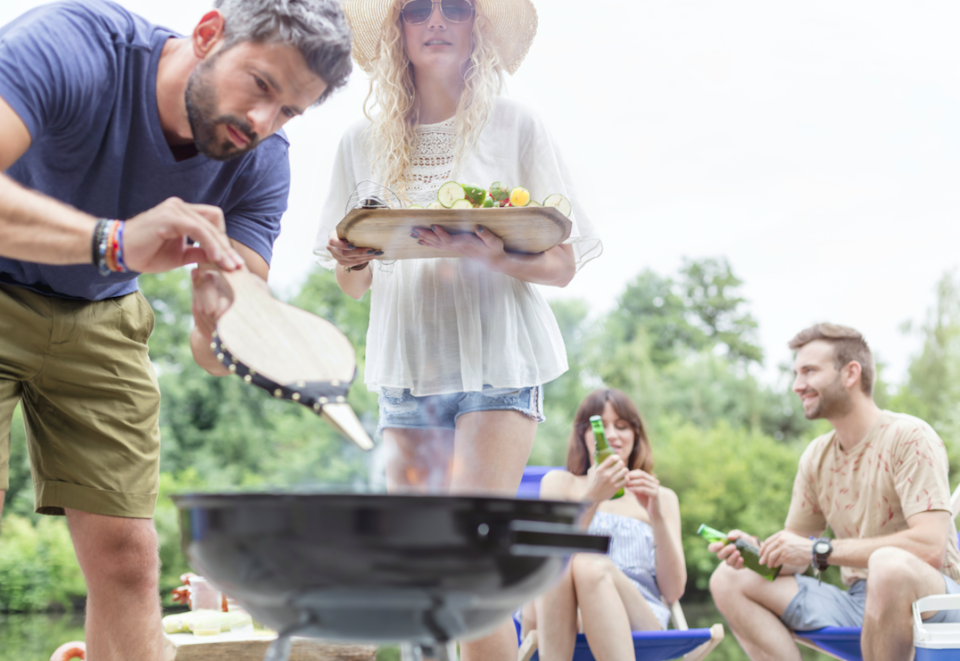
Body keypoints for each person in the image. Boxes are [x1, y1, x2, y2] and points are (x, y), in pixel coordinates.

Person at [0, 0, 352, 659]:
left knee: (128, 557)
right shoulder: (78, 46)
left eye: (289, 112)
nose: (262, 122)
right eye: (261, 85)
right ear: (209, 32)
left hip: (100, 314)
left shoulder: (262, 161)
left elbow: (218, 352)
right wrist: (116, 241)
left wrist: (214, 320)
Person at [313, 0, 600, 657]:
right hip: (407, 369)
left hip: (496, 363)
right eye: (418, 9)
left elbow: (562, 261)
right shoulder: (360, 142)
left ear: (478, 29)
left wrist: (492, 251)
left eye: (455, 8)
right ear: (398, 32)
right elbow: (353, 280)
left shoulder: (516, 125)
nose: (436, 20)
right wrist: (352, 258)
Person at [708, 323, 960, 661]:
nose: (798, 386)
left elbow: (929, 548)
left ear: (850, 373)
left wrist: (820, 550)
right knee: (728, 579)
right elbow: (798, 554)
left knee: (889, 566)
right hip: (858, 601)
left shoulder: (910, 437)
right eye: (796, 373)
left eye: (809, 371)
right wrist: (759, 553)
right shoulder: (816, 456)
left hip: (935, 603)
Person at [519, 389, 685, 661]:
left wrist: (657, 516)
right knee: (562, 557)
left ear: (636, 436)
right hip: (557, 613)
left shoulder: (661, 497)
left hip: (638, 614)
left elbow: (674, 591)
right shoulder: (560, 483)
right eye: (599, 426)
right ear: (583, 436)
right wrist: (592, 498)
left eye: (622, 426)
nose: (611, 435)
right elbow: (546, 561)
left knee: (589, 564)